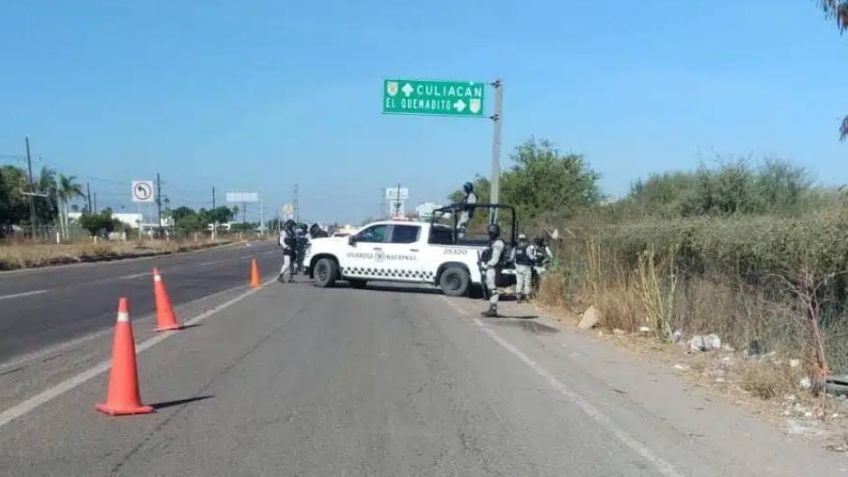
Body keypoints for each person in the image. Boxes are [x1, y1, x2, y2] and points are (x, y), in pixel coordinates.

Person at [480, 222, 506, 318]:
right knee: (491, 288)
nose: (490, 234)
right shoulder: (494, 242)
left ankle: (493, 309)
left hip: (494, 268)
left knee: (493, 289)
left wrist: (486, 265)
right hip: (491, 268)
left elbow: (495, 259)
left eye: (491, 232)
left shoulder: (498, 243)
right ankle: (491, 308)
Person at [511, 234, 534, 303]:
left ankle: (518, 296)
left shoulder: (515, 248)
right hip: (526, 267)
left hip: (518, 267)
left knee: (519, 282)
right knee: (527, 281)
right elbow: (531, 257)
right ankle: (527, 296)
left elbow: (511, 258)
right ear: (525, 239)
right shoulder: (528, 247)